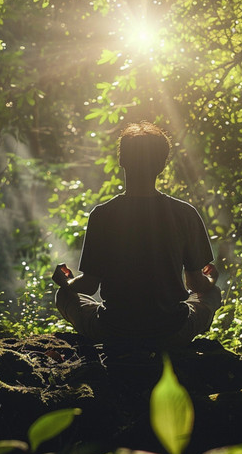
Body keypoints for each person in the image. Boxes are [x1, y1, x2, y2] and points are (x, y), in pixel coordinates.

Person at [52, 121, 221, 349]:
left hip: (114, 331)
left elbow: (89, 286)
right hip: (172, 331)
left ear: (122, 160)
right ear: (161, 165)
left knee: (64, 296)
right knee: (213, 295)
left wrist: (67, 281)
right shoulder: (185, 214)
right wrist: (210, 279)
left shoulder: (102, 215)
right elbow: (197, 284)